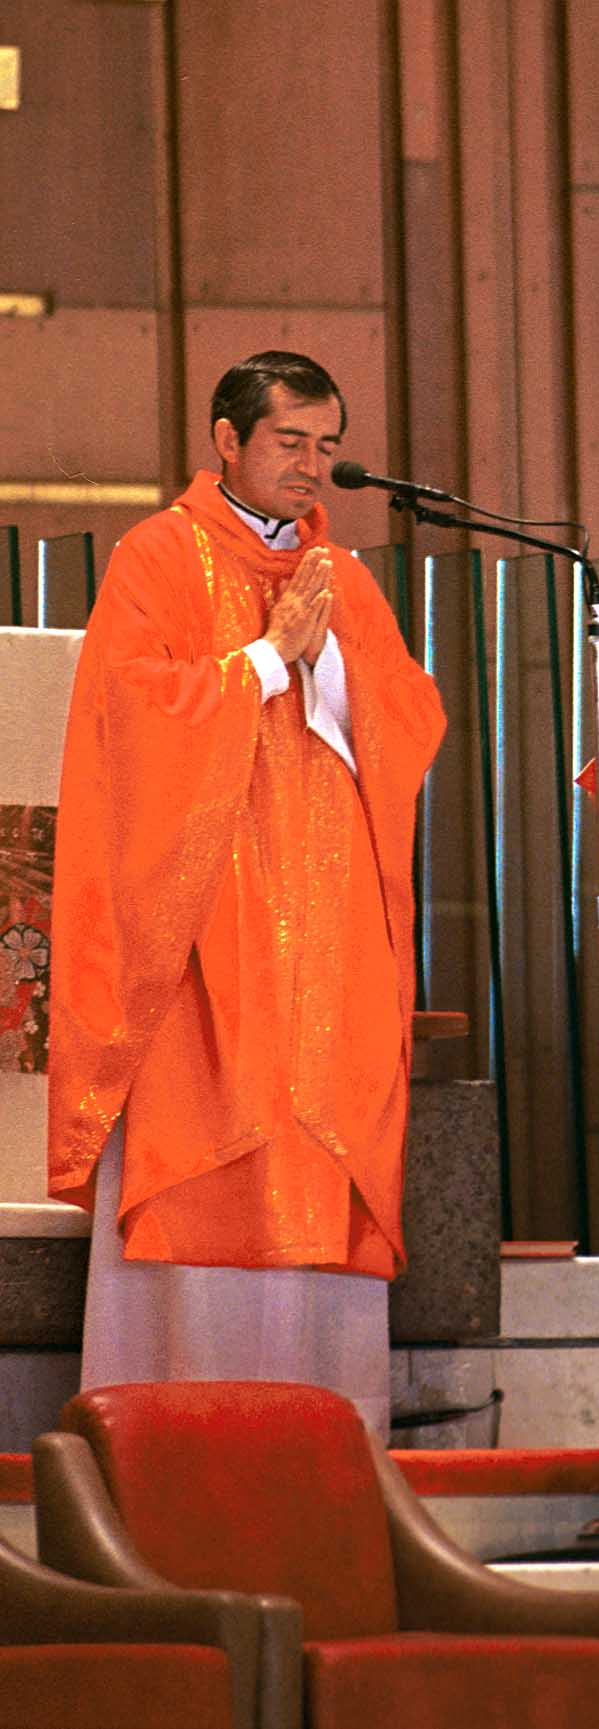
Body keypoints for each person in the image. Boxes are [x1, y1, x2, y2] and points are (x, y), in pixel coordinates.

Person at [48, 350, 445, 1434]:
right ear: (226, 440)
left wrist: (328, 667)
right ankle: (174, 1449)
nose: (312, 466)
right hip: (200, 925)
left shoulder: (341, 574)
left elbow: (410, 719)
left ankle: (318, 1452)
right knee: (200, 1161)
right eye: (289, 441)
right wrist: (267, 662)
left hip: (325, 926)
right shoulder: (157, 556)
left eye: (327, 446)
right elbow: (128, 716)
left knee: (318, 1153)